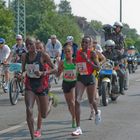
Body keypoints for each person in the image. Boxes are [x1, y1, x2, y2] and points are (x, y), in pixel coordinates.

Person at [22, 37, 56, 140]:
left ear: (35, 44)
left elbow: (55, 69)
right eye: (27, 45)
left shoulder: (43, 55)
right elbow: (23, 70)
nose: (29, 46)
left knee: (44, 114)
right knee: (29, 109)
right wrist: (20, 74)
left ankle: (50, 100)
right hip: (30, 85)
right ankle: (32, 137)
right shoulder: (25, 56)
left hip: (42, 85)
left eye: (30, 44)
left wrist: (43, 73)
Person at [72, 36, 101, 136]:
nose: (84, 44)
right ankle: (78, 128)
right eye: (83, 42)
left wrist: (87, 59)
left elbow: (98, 68)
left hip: (90, 78)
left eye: (86, 43)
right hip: (80, 78)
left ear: (90, 44)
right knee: (77, 101)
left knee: (91, 101)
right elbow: (77, 63)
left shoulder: (92, 53)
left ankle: (97, 112)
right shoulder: (78, 52)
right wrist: (74, 61)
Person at [57, 45, 77, 128]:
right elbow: (58, 73)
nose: (67, 53)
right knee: (69, 104)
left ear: (72, 52)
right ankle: (73, 116)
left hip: (74, 83)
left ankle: (74, 118)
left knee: (72, 102)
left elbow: (81, 70)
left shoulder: (75, 61)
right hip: (66, 83)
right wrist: (57, 71)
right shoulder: (62, 62)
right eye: (65, 52)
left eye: (69, 51)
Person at [88, 39, 106, 120]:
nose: (94, 45)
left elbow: (104, 58)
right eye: (93, 43)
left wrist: (100, 64)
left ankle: (94, 111)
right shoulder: (86, 52)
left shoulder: (97, 52)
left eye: (95, 43)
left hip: (95, 72)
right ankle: (93, 110)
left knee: (94, 94)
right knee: (90, 95)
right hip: (87, 73)